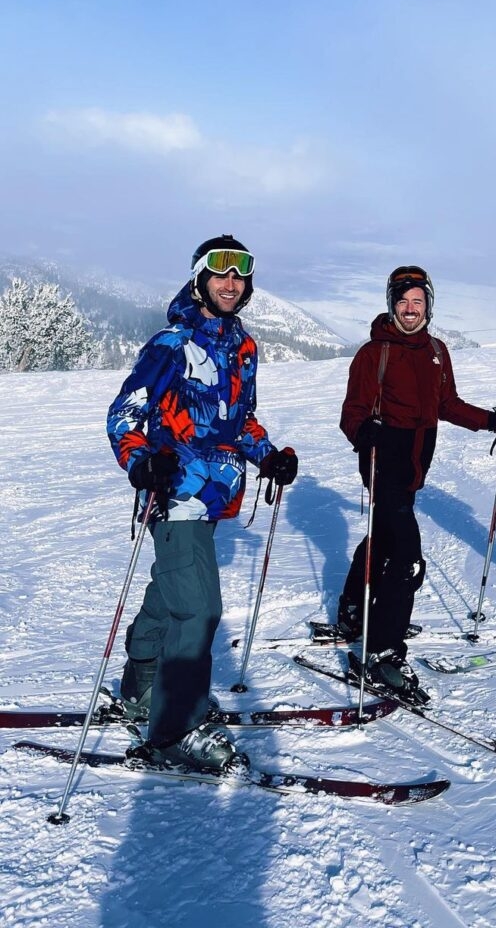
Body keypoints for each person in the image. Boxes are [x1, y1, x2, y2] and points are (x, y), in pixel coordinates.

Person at [106, 235, 298, 771]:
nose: (230, 282)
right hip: (173, 492)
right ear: (200, 279)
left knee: (170, 594)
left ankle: (143, 681)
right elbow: (124, 413)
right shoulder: (171, 343)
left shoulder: (244, 349)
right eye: (220, 271)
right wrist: (141, 461)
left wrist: (268, 455)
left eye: (240, 273)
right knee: (200, 609)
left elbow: (240, 421)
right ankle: (174, 729)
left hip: (215, 493)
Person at [336, 264, 496, 702]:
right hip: (382, 457)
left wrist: (494, 419)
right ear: (391, 305)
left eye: (417, 302)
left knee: (384, 534)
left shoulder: (437, 350)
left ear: (428, 306)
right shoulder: (372, 353)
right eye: (402, 302)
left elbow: (449, 404)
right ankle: (381, 652)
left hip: (418, 459)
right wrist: (364, 432)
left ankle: (352, 610)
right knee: (406, 557)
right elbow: (352, 412)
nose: (409, 309)